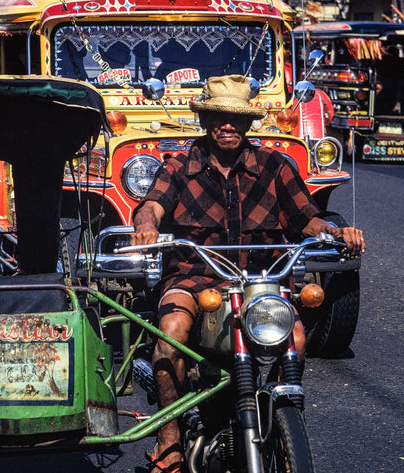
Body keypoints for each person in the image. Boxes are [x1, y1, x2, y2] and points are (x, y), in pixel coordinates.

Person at [131, 75, 366, 473]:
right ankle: (169, 440)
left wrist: (334, 232)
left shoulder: (276, 167)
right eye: (220, 117)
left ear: (247, 124)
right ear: (206, 120)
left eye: (236, 119)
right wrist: (147, 224)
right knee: (170, 333)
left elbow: (306, 218)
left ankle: (283, 422)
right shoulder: (179, 167)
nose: (227, 125)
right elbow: (152, 205)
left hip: (260, 280)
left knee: (294, 335)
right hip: (195, 276)